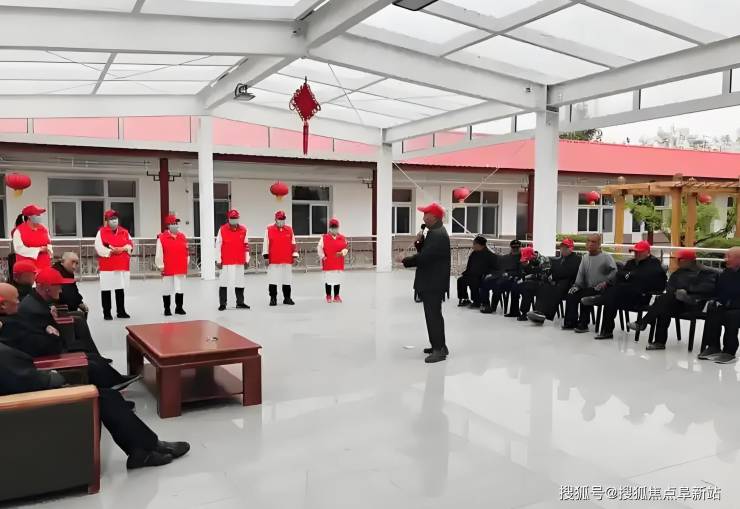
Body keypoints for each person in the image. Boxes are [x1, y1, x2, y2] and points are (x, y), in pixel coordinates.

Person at [0, 341, 190, 469]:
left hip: (23, 400)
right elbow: (29, 380)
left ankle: (142, 449)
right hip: (27, 410)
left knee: (107, 396)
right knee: (105, 398)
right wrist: (57, 377)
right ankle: (147, 447)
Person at [4, 279, 137, 391]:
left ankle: (116, 381)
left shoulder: (17, 315)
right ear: (3, 305)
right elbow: (37, 344)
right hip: (44, 358)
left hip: (44, 349)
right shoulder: (13, 323)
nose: (19, 302)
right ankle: (109, 389)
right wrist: (52, 333)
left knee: (93, 357)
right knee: (91, 364)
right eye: (15, 299)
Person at [627, 249, 717, 350]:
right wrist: (677, 293)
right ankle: (658, 341)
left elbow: (707, 289)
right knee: (664, 305)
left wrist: (686, 292)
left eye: (680, 260)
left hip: (694, 303)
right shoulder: (679, 272)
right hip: (677, 302)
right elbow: (670, 287)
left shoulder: (707, 273)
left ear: (689, 261)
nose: (677, 262)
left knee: (664, 302)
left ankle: (644, 324)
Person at [401, 202, 451, 364]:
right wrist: (419, 242)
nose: (423, 218)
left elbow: (424, 258)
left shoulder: (437, 235)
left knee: (433, 316)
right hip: (432, 280)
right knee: (434, 315)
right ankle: (440, 345)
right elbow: (426, 252)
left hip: (433, 282)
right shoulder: (434, 232)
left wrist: (405, 260)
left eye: (425, 215)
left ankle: (439, 350)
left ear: (434, 217)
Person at [591, 240, 666, 340]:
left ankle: (599, 299)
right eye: (635, 251)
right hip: (624, 294)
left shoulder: (654, 264)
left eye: (639, 252)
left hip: (641, 297)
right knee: (611, 297)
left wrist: (630, 276)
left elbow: (652, 282)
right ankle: (607, 331)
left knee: (611, 295)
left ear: (647, 252)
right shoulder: (631, 262)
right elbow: (620, 275)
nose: (636, 254)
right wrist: (631, 276)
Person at [563, 234, 617, 333]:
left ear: (599, 244)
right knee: (571, 293)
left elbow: (614, 272)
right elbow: (581, 273)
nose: (590, 244)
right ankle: (571, 322)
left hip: (602, 289)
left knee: (586, 295)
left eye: (593, 242)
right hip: (588, 288)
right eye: (588, 241)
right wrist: (577, 285)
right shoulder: (585, 257)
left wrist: (605, 282)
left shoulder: (606, 257)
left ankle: (583, 324)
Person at [697, 247, 740, 364]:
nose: (725, 259)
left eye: (729, 257)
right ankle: (713, 346)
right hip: (727, 305)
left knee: (732, 315)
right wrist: (715, 300)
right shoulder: (726, 273)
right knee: (713, 309)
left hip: (737, 308)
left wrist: (731, 303)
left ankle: (729, 352)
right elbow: (718, 291)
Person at [527, 238, 582, 324]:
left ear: (571, 248)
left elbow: (570, 272)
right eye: (562, 247)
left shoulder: (577, 259)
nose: (563, 249)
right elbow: (552, 270)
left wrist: (553, 276)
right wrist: (548, 276)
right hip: (557, 282)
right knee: (543, 285)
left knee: (560, 285)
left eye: (565, 247)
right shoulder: (558, 259)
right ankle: (539, 311)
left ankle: (546, 314)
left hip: (569, 284)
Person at [95, 209, 133, 320]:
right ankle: (107, 312)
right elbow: (99, 247)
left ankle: (121, 311)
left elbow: (130, 244)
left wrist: (123, 248)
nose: (114, 221)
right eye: (111, 219)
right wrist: (111, 251)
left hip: (121, 265)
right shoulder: (101, 232)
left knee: (120, 288)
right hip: (107, 266)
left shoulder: (124, 232)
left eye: (115, 218)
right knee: (106, 289)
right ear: (106, 220)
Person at [215, 209, 250, 311]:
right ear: (228, 218)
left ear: (238, 218)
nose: (234, 219)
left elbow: (246, 245)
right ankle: (222, 303)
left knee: (240, 281)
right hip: (226, 261)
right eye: (232, 218)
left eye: (236, 218)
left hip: (239, 260)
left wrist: (247, 259)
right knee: (223, 282)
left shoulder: (244, 229)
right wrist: (218, 260)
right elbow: (218, 245)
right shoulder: (222, 229)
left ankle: (240, 302)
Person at [262, 210, 299, 306]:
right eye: (280, 219)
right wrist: (266, 257)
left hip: (287, 259)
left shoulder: (289, 229)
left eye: (283, 219)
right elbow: (266, 244)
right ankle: (273, 298)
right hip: (274, 260)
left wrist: (295, 256)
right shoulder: (269, 229)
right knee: (273, 279)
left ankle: (287, 298)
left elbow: (293, 243)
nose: (281, 221)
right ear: (275, 219)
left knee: (287, 279)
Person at [156, 215, 189, 316]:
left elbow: (186, 251)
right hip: (168, 267)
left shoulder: (182, 236)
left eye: (176, 223)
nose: (175, 225)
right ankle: (167, 309)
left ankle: (179, 307)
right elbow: (159, 253)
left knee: (180, 288)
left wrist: (186, 262)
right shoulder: (162, 238)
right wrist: (161, 266)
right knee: (167, 288)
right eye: (173, 223)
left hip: (180, 266)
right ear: (168, 225)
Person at [479, 239, 522, 314]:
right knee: (485, 282)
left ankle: (493, 307)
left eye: (517, 248)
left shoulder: (522, 258)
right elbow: (497, 268)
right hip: (500, 276)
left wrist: (509, 274)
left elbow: (520, 272)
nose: (515, 249)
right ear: (511, 247)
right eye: (513, 247)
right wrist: (491, 275)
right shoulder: (505, 257)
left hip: (511, 280)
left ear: (520, 248)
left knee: (498, 285)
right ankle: (486, 304)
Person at [510, 246, 549, 321]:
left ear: (533, 255)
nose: (526, 261)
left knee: (527, 286)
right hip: (530, 283)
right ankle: (518, 312)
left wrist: (529, 276)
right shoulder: (527, 261)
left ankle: (531, 313)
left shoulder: (544, 260)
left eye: (527, 259)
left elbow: (545, 276)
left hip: (543, 284)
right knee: (518, 286)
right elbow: (523, 273)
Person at [456, 236, 496, 308]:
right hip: (472, 275)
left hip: (482, 276)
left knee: (474, 280)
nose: (473, 246)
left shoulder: (489, 255)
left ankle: (477, 301)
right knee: (461, 280)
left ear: (480, 245)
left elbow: (492, 268)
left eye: (474, 244)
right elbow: (469, 266)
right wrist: (466, 273)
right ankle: (465, 298)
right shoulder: (474, 254)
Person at [317, 217, 348, 303]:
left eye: (336, 227)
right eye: (332, 227)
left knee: (337, 279)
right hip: (329, 262)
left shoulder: (342, 237)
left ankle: (336, 296)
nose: (334, 229)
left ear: (338, 228)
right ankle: (328, 295)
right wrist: (323, 256)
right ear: (330, 228)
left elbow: (346, 247)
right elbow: (319, 247)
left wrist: (343, 252)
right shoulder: (324, 238)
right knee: (329, 280)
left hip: (338, 262)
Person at [13, 204, 53, 270]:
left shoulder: (44, 229)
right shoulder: (19, 231)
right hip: (27, 269)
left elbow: (48, 243)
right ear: (29, 217)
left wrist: (49, 251)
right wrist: (39, 250)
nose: (40, 216)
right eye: (37, 214)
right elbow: (19, 249)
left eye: (40, 214)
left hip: (44, 266)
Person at [52, 252, 89, 317]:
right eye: (72, 262)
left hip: (68, 308)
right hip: (60, 309)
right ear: (62, 261)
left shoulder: (68, 273)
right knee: (80, 316)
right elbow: (66, 295)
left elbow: (74, 291)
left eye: (76, 263)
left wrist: (80, 302)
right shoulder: (56, 273)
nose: (74, 266)